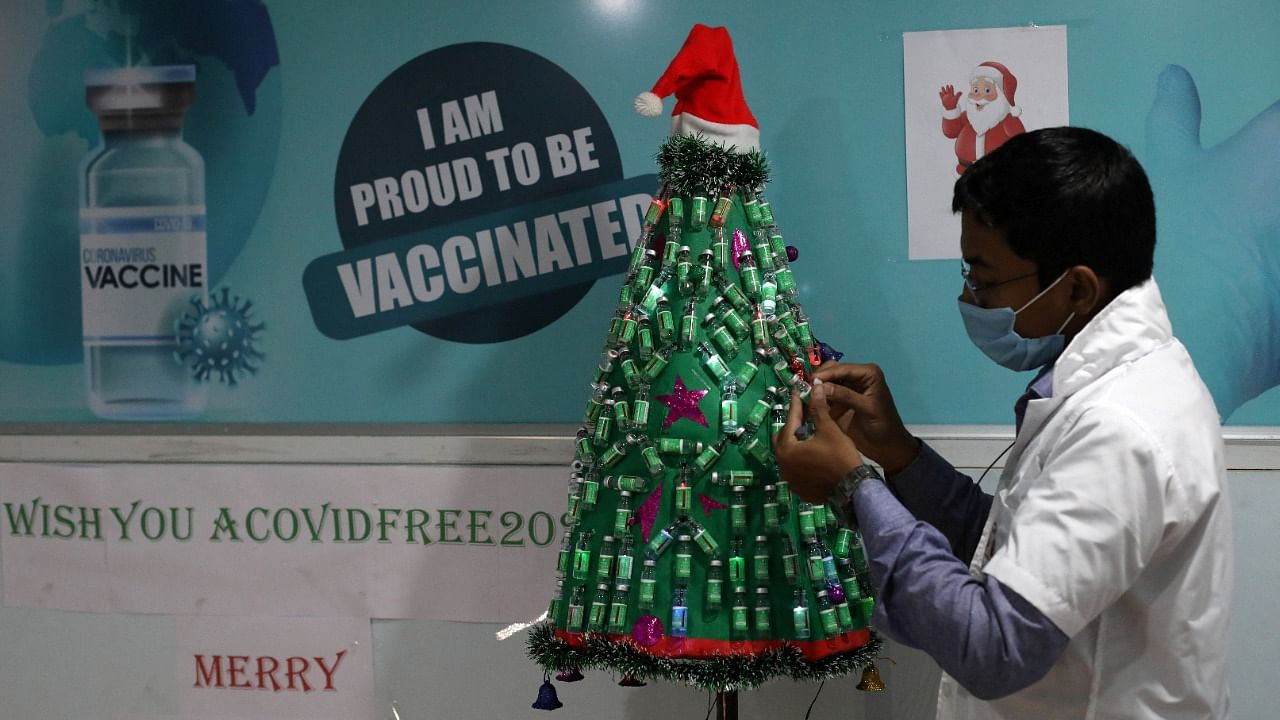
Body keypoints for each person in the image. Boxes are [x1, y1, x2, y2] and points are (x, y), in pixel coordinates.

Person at [774, 127, 1233, 719]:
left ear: (1077, 287)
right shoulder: (1111, 384)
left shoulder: (1121, 427)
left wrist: (851, 489)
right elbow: (1004, 551)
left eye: (986, 280)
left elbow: (994, 643)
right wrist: (899, 455)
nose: (971, 298)